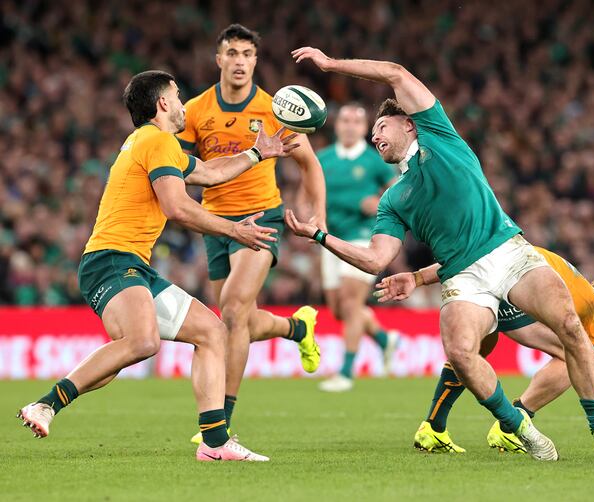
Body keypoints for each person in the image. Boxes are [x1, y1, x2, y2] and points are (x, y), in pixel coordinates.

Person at [286, 47, 594, 461]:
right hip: (462, 278)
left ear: (409, 124)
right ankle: (518, 426)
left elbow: (395, 71)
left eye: (381, 126)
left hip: (508, 251)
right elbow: (376, 260)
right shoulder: (393, 200)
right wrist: (322, 236)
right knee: (462, 352)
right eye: (372, 133)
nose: (375, 137)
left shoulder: (439, 133)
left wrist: (331, 65)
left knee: (570, 325)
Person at [17, 70, 299, 461]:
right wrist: (235, 230)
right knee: (142, 341)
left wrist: (256, 153)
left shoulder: (154, 144)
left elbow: (212, 173)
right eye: (178, 96)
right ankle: (45, 404)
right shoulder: (158, 140)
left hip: (132, 264)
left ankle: (215, 443)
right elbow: (177, 207)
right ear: (163, 103)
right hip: (111, 259)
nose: (183, 105)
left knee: (211, 332)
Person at [176, 25, 326, 443]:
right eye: (232, 53)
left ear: (256, 61)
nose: (240, 60)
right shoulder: (196, 109)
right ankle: (297, 328)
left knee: (233, 309)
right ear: (218, 58)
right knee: (236, 320)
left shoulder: (278, 110)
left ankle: (220, 421)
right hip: (216, 225)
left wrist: (319, 218)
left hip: (262, 219)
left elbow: (310, 167)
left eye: (247, 54)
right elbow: (181, 164)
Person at [374, 253, 594, 455]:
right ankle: (514, 424)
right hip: (513, 290)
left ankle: (433, 427)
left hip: (487, 279)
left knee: (473, 350)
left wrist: (419, 278)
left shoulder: (570, 279)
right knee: (579, 355)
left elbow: (476, 255)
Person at [316, 103, 399, 392]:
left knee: (351, 303)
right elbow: (307, 192)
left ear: (365, 129)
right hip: (329, 238)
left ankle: (346, 372)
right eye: (345, 120)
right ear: (337, 125)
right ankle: (385, 340)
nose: (350, 125)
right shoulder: (322, 159)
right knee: (340, 310)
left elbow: (400, 189)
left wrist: (381, 205)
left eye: (357, 121)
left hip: (363, 236)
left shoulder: (374, 160)